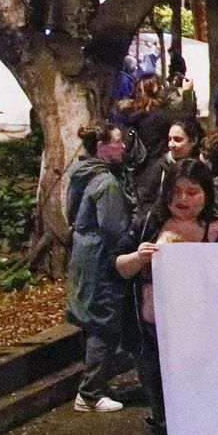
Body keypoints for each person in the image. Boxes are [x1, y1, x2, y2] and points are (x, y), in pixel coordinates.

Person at [115, 160, 218, 435]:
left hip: (202, 341)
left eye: (193, 192)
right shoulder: (148, 224)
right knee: (161, 408)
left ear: (207, 194)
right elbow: (117, 265)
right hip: (150, 337)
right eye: (176, 191)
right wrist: (138, 258)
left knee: (192, 407)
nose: (183, 199)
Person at [65, 123, 133, 414]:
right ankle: (90, 393)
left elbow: (70, 213)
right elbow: (114, 227)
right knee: (104, 323)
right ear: (102, 146)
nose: (123, 146)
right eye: (117, 141)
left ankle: (97, 385)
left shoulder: (81, 174)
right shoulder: (106, 183)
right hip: (101, 257)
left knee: (92, 320)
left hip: (83, 254)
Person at [134, 117, 203, 211]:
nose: (171, 145)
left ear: (194, 141)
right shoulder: (159, 167)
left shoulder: (201, 168)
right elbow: (145, 200)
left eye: (177, 140)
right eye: (170, 139)